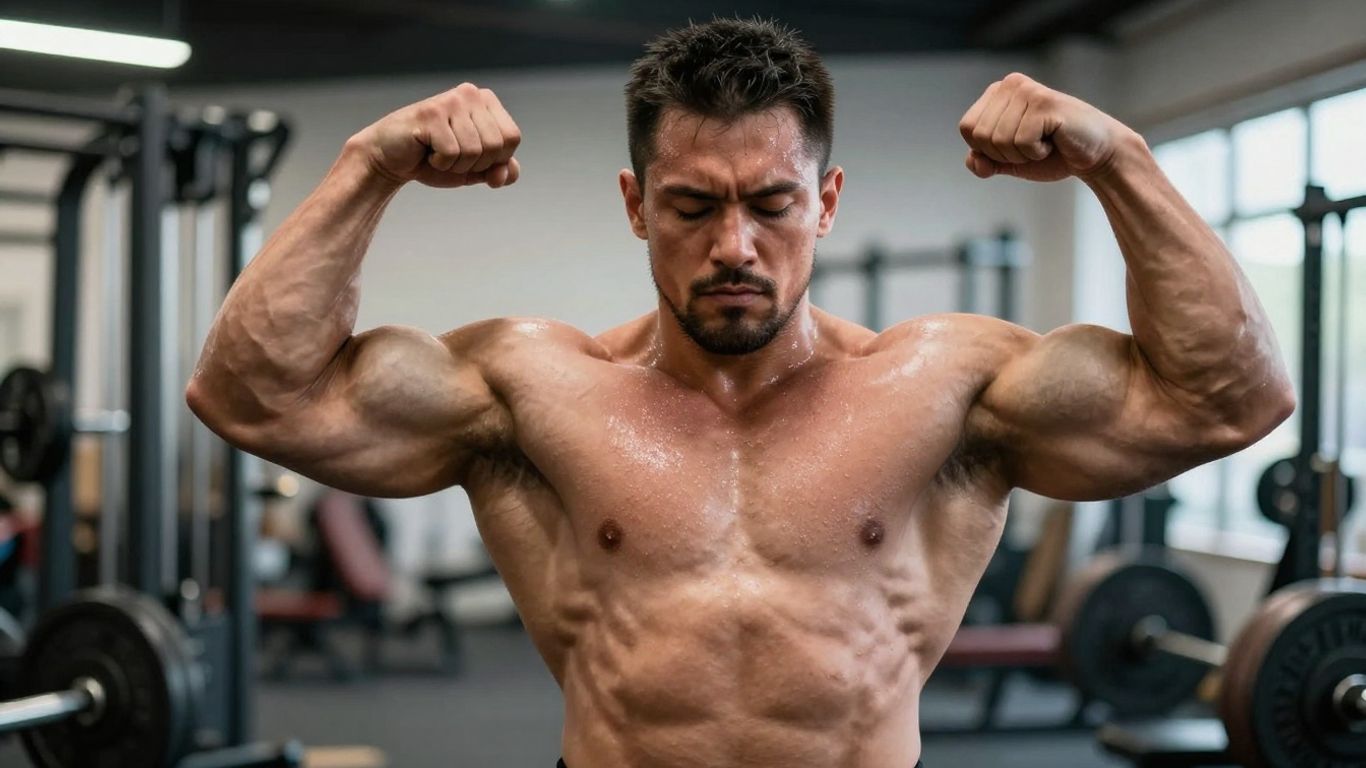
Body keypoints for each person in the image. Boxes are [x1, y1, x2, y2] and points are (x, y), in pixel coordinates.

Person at [187, 17, 1294, 768]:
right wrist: (369, 164)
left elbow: (1226, 400)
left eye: (771, 202)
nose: (733, 246)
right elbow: (253, 396)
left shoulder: (950, 387)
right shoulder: (528, 387)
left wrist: (1121, 158)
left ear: (827, 201)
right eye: (688, 206)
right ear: (633, 204)